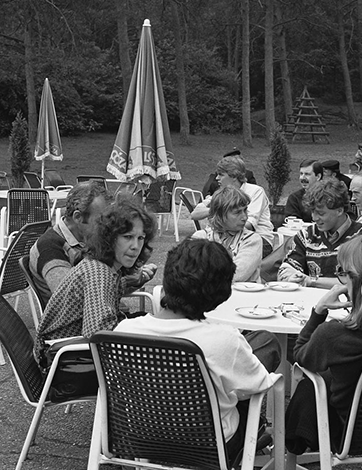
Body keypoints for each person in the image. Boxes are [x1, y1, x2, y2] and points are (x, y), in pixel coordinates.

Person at [115, 238, 281, 464]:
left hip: (140, 441)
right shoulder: (224, 339)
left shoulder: (124, 332)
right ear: (221, 294)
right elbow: (258, 385)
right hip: (210, 447)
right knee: (264, 345)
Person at [285, 236, 362, 466]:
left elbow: (300, 356)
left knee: (314, 382)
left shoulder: (333, 335)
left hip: (350, 434)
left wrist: (319, 310)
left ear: (355, 281)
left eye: (342, 273)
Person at [34, 195, 157, 365]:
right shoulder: (99, 272)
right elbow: (99, 335)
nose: (135, 246)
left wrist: (129, 283)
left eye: (140, 238)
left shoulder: (105, 266)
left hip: (70, 352)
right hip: (63, 360)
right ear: (109, 238)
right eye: (127, 237)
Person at [30, 182, 156, 307]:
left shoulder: (88, 239)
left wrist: (135, 279)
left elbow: (104, 287)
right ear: (78, 217)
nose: (107, 225)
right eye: (100, 220)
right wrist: (125, 282)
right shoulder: (49, 247)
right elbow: (70, 297)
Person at [278, 179, 362, 289]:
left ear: (339, 211)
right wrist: (291, 277)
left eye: (321, 213)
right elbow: (284, 270)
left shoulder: (361, 236)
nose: (314, 218)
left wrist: (311, 281)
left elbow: (357, 281)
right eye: (312, 212)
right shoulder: (306, 235)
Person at [192, 156, 274, 258]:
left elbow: (248, 225)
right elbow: (194, 214)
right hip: (225, 238)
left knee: (215, 257)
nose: (217, 178)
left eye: (221, 174)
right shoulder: (223, 193)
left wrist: (220, 224)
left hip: (258, 240)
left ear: (234, 176)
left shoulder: (255, 191)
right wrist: (218, 210)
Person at [192, 186, 262, 282]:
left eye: (245, 210)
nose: (245, 217)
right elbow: (186, 272)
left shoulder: (251, 240)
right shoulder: (200, 238)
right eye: (237, 212)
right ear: (220, 215)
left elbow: (236, 276)